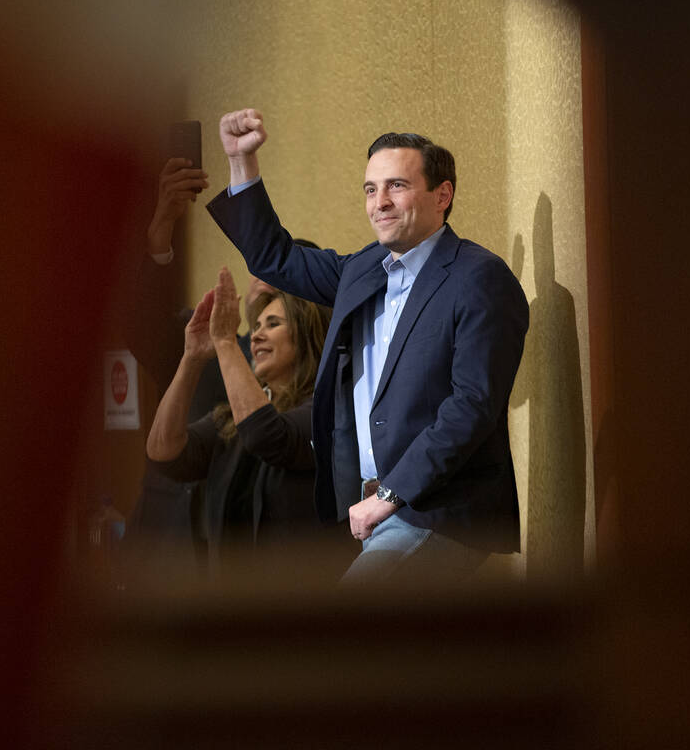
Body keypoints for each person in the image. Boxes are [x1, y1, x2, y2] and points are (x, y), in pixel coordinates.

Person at [206, 108, 529, 585]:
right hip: (371, 510)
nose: (380, 202)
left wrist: (391, 494)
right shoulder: (363, 270)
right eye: (370, 189)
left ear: (444, 195)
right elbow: (275, 257)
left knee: (343, 638)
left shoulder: (478, 277)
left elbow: (472, 406)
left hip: (437, 510)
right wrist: (241, 164)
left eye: (397, 186)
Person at [145, 266, 344, 577]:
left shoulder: (327, 409)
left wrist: (225, 342)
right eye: (257, 325)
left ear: (306, 336)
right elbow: (163, 452)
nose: (257, 335)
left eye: (273, 324)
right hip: (234, 601)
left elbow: (267, 435)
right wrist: (192, 359)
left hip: (303, 599)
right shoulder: (229, 418)